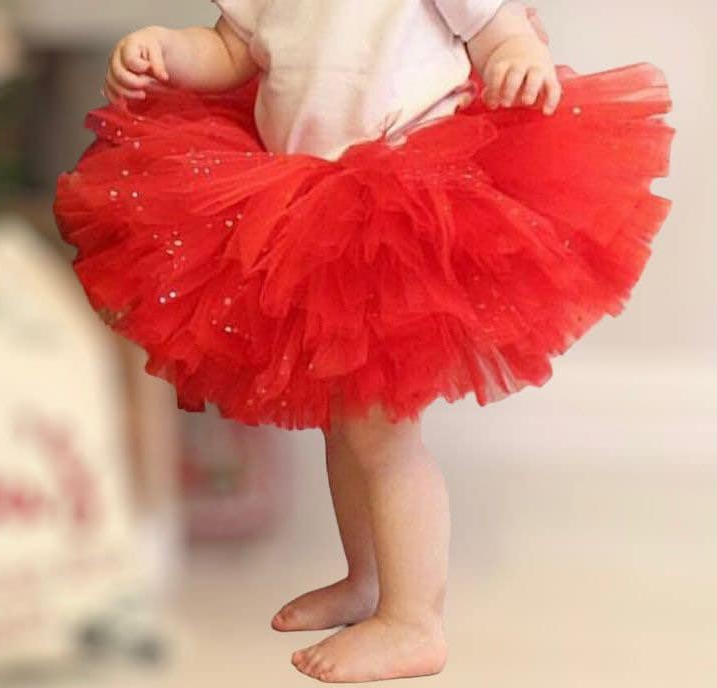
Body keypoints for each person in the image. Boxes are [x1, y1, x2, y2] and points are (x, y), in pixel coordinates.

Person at [52, 1, 674, 682]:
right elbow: (231, 51)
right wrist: (166, 50)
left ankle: (414, 620)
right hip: (300, 209)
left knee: (383, 435)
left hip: (401, 210)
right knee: (346, 425)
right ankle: (367, 582)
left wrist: (515, 59)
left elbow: (498, 30)